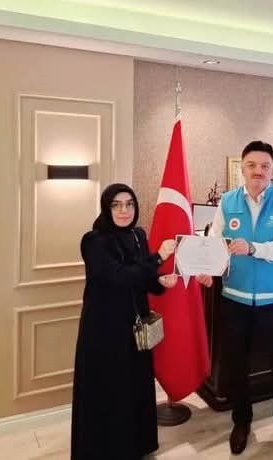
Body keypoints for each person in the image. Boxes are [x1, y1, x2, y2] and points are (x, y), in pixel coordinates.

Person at [197, 141, 273, 456]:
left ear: (272, 169)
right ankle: (241, 422)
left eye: (265, 166)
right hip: (235, 299)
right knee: (236, 365)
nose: (258, 171)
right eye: (252, 165)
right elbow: (214, 242)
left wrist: (253, 248)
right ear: (242, 168)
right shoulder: (228, 201)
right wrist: (208, 270)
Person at [71, 183, 178, 460]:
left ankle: (135, 447)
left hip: (136, 327)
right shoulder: (93, 241)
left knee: (134, 387)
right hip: (104, 329)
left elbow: (142, 278)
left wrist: (160, 282)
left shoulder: (138, 235)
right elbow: (118, 277)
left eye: (129, 204)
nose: (124, 210)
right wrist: (159, 257)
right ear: (106, 208)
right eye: (116, 205)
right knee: (109, 391)